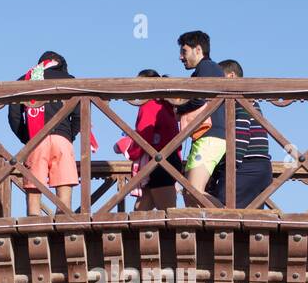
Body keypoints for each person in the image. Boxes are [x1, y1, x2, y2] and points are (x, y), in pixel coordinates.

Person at [7, 52, 95, 216]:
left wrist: (27, 139)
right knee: (64, 181)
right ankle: (64, 218)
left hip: (35, 139)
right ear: (61, 63)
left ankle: (34, 221)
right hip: (62, 139)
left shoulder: (24, 80)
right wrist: (69, 135)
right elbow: (80, 115)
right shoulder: (70, 80)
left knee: (34, 184)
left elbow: (14, 117)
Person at [207, 60, 274, 209]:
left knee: (225, 212)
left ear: (231, 76)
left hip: (245, 167)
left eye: (219, 78)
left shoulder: (239, 100)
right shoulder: (249, 101)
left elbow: (241, 133)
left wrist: (229, 168)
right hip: (260, 168)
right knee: (248, 220)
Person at [113, 69, 181, 211]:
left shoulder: (149, 105)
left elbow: (144, 136)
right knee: (141, 210)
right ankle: (132, 234)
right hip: (170, 158)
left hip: (158, 160)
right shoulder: (167, 107)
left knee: (168, 212)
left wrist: (130, 151)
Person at [173, 30, 226, 204]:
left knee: (193, 191)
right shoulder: (206, 69)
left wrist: (178, 109)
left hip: (210, 136)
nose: (181, 57)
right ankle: (223, 222)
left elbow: (199, 99)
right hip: (206, 136)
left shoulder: (207, 66)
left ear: (198, 49)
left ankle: (230, 219)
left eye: (184, 51)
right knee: (189, 193)